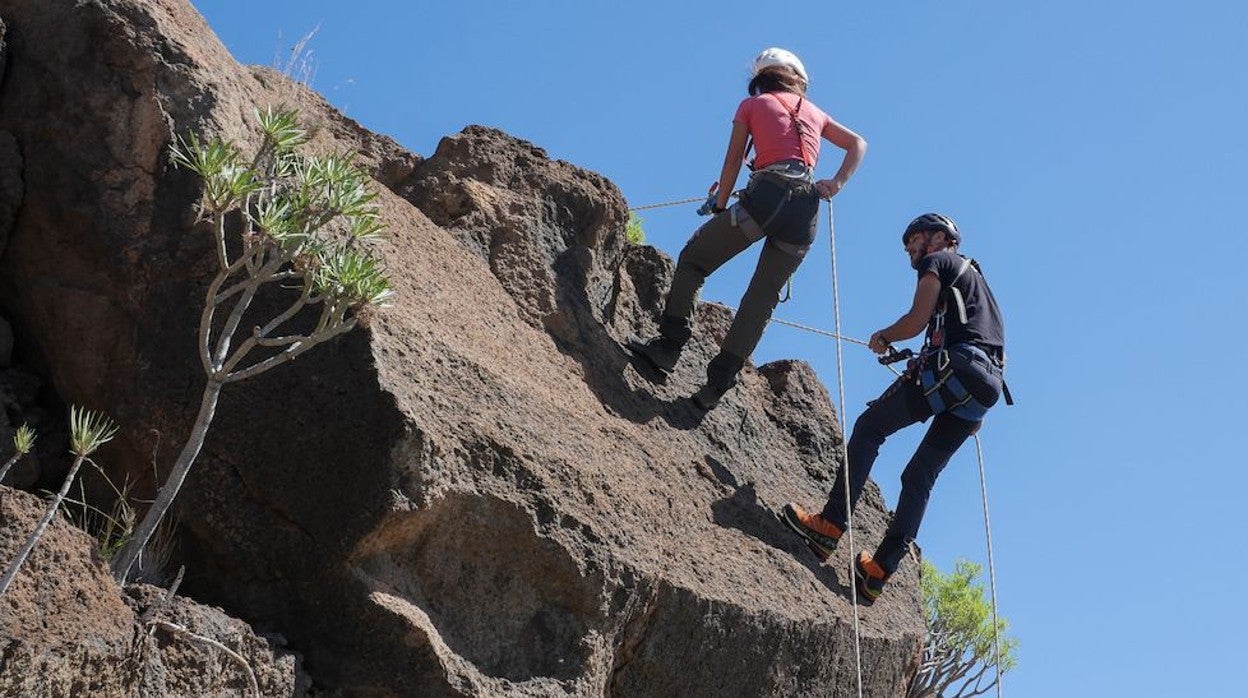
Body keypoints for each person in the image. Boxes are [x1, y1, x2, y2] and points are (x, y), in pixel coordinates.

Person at [781, 213, 1008, 604]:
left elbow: (917, 321)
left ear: (937, 239)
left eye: (914, 243)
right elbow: (983, 344)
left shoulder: (940, 262)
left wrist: (885, 336)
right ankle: (879, 572)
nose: (911, 254)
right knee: (920, 476)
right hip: (983, 387)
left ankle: (829, 526)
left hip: (958, 365)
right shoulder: (980, 287)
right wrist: (974, 410)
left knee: (870, 427)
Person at [628, 47, 867, 410]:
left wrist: (721, 204)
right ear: (797, 80)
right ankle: (714, 388)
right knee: (760, 300)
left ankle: (668, 347)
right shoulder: (815, 112)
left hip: (765, 197)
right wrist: (836, 183)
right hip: (805, 209)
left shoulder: (752, 106)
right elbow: (857, 143)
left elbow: (732, 161)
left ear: (761, 78)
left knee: (694, 260)